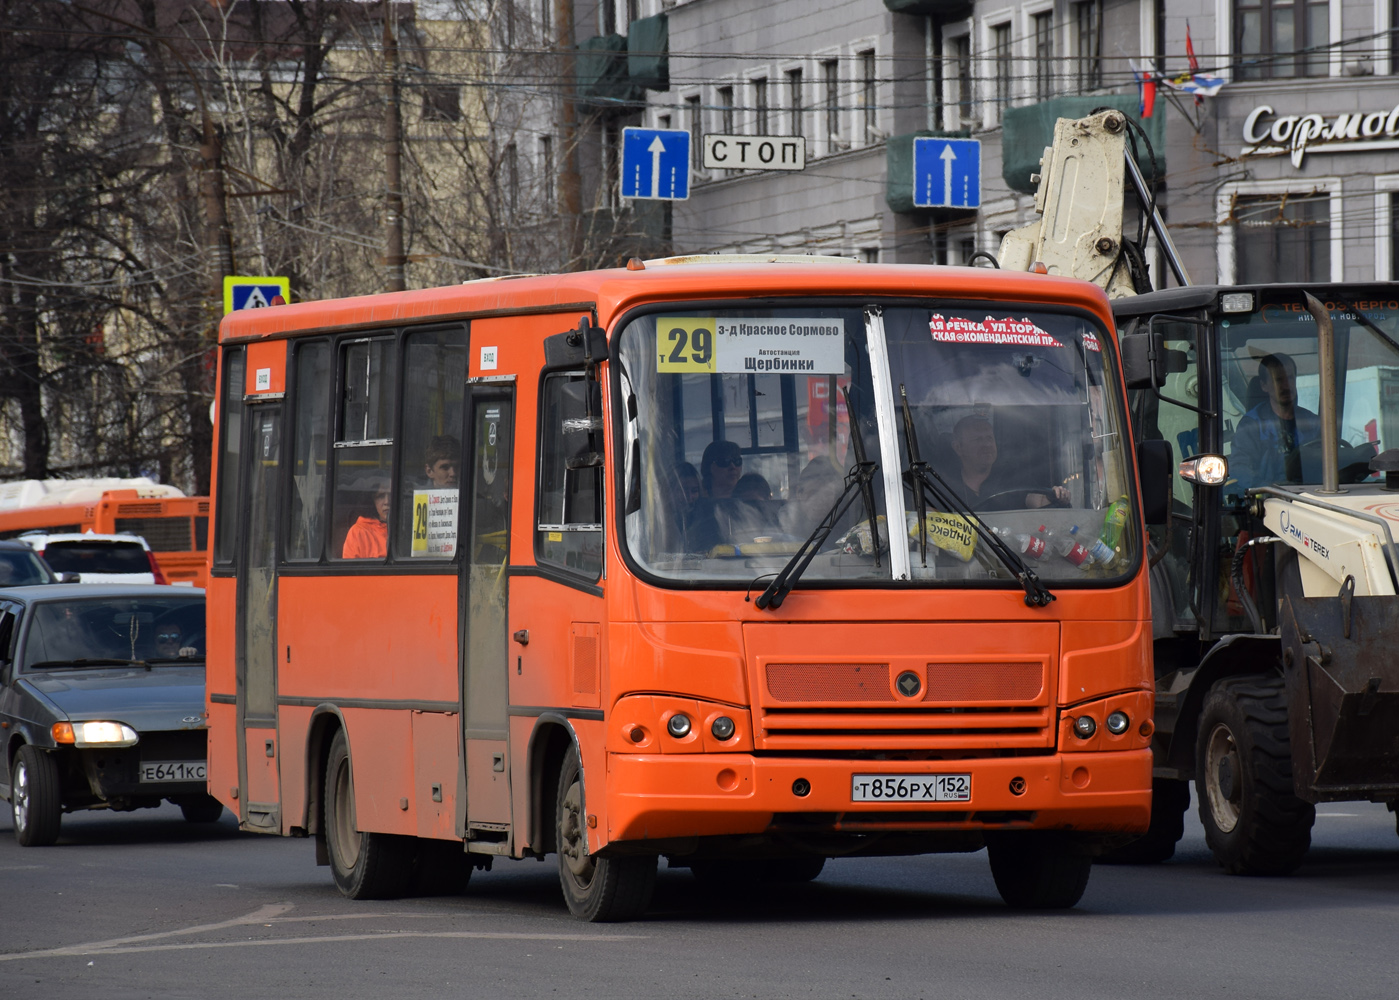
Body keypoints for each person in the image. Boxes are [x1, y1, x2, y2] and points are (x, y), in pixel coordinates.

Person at [1230, 353, 1321, 490]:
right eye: (1278, 380)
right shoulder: (1252, 425)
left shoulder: (1313, 422)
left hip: (1312, 497)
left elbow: (1329, 464)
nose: (1286, 385)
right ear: (1264, 386)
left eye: (1290, 378)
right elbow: (1240, 469)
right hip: (1268, 501)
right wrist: (1271, 491)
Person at [948, 414, 1067, 509]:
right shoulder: (944, 486)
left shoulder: (1012, 478)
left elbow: (1036, 500)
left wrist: (1056, 495)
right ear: (958, 447)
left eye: (989, 438)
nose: (987, 444)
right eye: (978, 439)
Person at [342, 480, 390, 558]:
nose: (387, 501)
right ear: (372, 501)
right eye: (381, 496)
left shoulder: (408, 528)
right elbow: (350, 568)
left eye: (391, 495)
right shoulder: (358, 532)